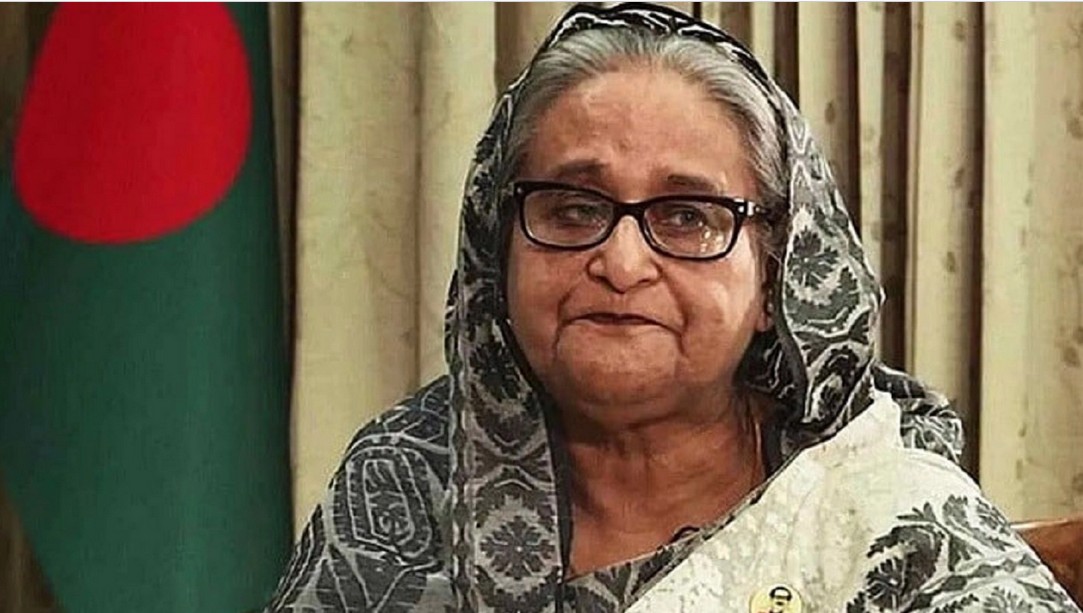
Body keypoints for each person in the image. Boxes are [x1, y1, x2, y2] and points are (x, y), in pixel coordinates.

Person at [266, 3, 1079, 611]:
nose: (621, 263)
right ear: (497, 248)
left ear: (774, 279)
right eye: (573, 208)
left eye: (687, 216)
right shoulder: (410, 474)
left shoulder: (875, 510)